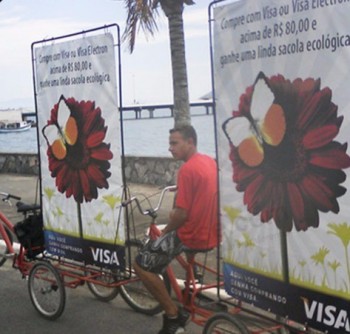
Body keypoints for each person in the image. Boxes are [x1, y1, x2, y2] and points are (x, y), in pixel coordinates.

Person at [133, 125, 218, 334]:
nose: (170, 148)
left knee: (141, 265)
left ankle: (173, 315)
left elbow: (181, 215)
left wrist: (165, 231)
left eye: (174, 143)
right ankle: (187, 297)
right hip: (212, 231)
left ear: (190, 142)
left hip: (191, 234)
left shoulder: (187, 170)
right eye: (169, 143)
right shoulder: (209, 161)